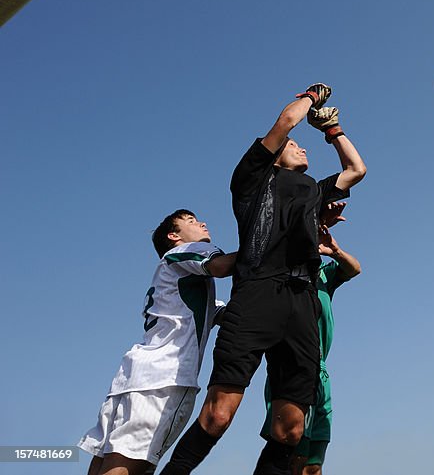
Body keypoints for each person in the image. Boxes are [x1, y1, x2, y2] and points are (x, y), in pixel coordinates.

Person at [159, 84, 366, 475]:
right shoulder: (251, 180)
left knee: (290, 430)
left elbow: (357, 170)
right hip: (257, 295)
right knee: (218, 415)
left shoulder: (313, 190)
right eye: (292, 145)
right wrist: (310, 96)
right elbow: (287, 119)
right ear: (273, 157)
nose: (300, 146)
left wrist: (333, 130)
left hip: (301, 302)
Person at [79, 210, 236, 475]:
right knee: (133, 467)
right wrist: (268, 242)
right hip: (165, 379)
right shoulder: (183, 252)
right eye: (191, 221)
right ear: (174, 236)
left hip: (132, 377)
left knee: (105, 464)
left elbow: (222, 313)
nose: (202, 223)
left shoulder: (174, 282)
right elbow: (220, 267)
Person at [259, 207, 361, 475]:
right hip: (292, 367)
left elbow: (354, 269)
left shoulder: (323, 276)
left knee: (314, 464)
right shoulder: (282, 275)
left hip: (320, 372)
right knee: (293, 457)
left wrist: (335, 251)